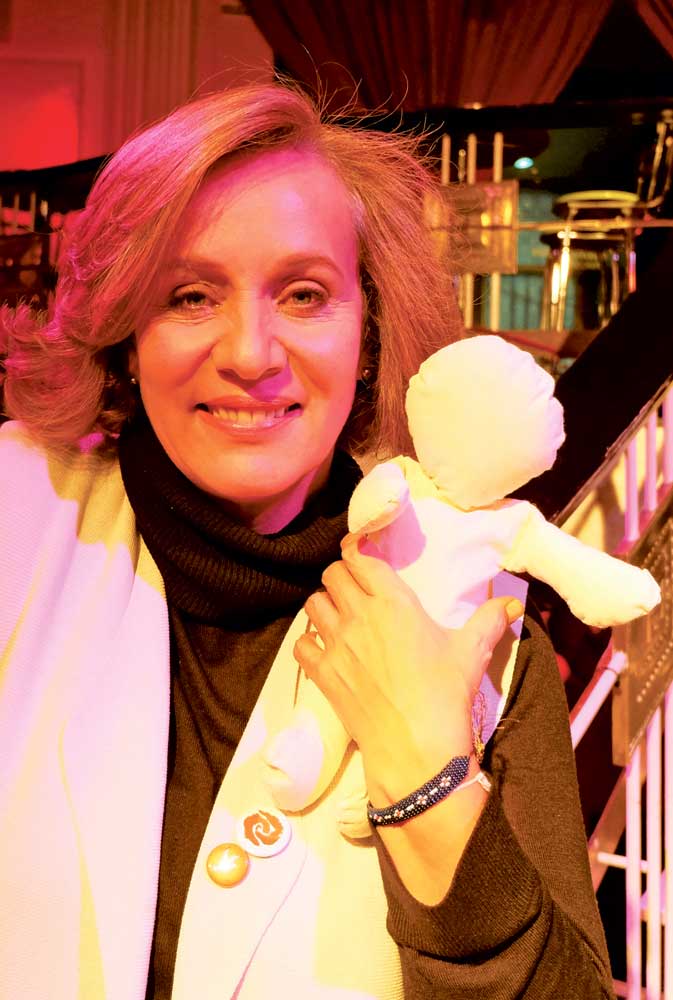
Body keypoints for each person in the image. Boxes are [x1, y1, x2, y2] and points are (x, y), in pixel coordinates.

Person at [0, 82, 614, 999]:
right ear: (127, 334)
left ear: (367, 332)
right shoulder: (18, 517)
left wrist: (432, 779)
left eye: (303, 293)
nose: (250, 353)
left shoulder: (475, 617)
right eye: (190, 296)